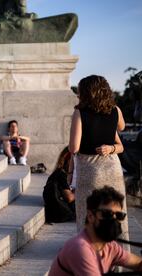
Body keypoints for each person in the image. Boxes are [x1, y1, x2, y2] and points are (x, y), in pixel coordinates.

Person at [68, 75, 128, 236]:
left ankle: (90, 254)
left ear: (87, 93)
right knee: (115, 213)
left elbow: (74, 147)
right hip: (113, 167)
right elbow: (122, 127)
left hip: (90, 168)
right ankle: (117, 254)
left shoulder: (80, 112)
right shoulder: (116, 110)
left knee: (88, 214)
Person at [48, 186, 142, 275]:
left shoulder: (109, 246)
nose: (114, 219)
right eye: (107, 214)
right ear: (90, 216)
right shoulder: (80, 248)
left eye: (119, 215)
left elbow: (138, 263)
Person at [43, 146, 75, 223]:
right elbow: (69, 197)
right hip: (62, 212)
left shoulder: (59, 172)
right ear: (68, 161)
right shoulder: (61, 174)